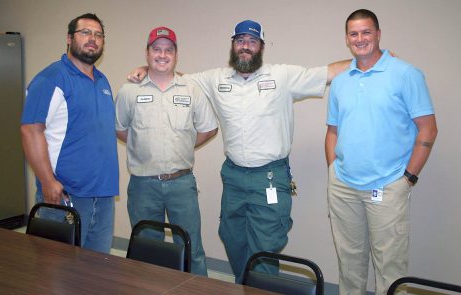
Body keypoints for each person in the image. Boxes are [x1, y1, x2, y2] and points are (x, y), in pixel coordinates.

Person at [128, 20, 350, 283]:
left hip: (269, 177)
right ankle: (243, 285)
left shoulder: (282, 76)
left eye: (252, 41)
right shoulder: (215, 79)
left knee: (264, 249)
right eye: (240, 41)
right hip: (233, 177)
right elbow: (175, 78)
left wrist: (372, 60)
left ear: (261, 47)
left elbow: (329, 72)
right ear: (233, 45)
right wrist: (147, 69)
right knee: (232, 238)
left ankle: (261, 287)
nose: (245, 46)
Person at [325, 9, 437, 295]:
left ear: (377, 34)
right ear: (347, 38)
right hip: (344, 187)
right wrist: (332, 171)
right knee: (349, 265)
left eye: (366, 32)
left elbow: (428, 129)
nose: (360, 38)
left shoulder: (405, 74)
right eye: (354, 33)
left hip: (388, 186)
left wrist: (407, 178)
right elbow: (333, 131)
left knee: (390, 269)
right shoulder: (340, 82)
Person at [115, 27, 218, 275]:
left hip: (181, 184)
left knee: (191, 249)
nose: (162, 54)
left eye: (168, 50)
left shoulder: (191, 90)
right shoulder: (129, 91)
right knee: (147, 251)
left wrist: (179, 145)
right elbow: (120, 129)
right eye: (157, 49)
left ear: (176, 54)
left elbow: (209, 129)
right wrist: (146, 145)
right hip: (142, 186)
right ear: (147, 53)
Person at [20, 13, 119, 254]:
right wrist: (47, 182)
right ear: (69, 38)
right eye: (85, 32)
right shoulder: (51, 78)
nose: (92, 39)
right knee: (57, 273)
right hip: (64, 196)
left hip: (103, 196)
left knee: (96, 273)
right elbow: (31, 131)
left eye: (98, 34)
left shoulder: (102, 80)